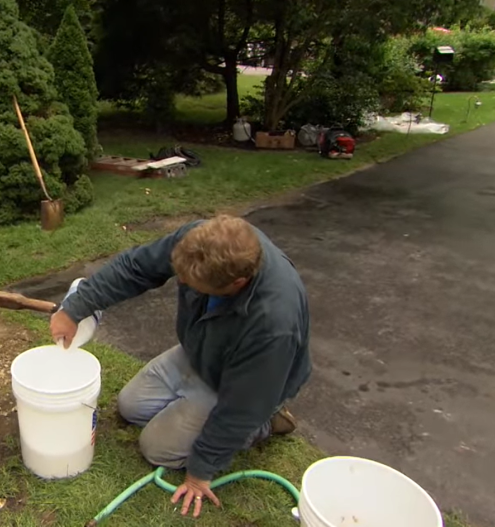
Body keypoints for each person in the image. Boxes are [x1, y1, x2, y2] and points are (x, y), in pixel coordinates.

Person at [50, 214, 311, 518]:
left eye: (192, 284)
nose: (182, 282)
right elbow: (136, 267)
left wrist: (200, 472)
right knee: (130, 406)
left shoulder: (272, 324)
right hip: (202, 350)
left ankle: (266, 421)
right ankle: (203, 400)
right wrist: (76, 307)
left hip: (245, 385)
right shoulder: (200, 240)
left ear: (236, 283)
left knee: (156, 449)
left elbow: (240, 408)